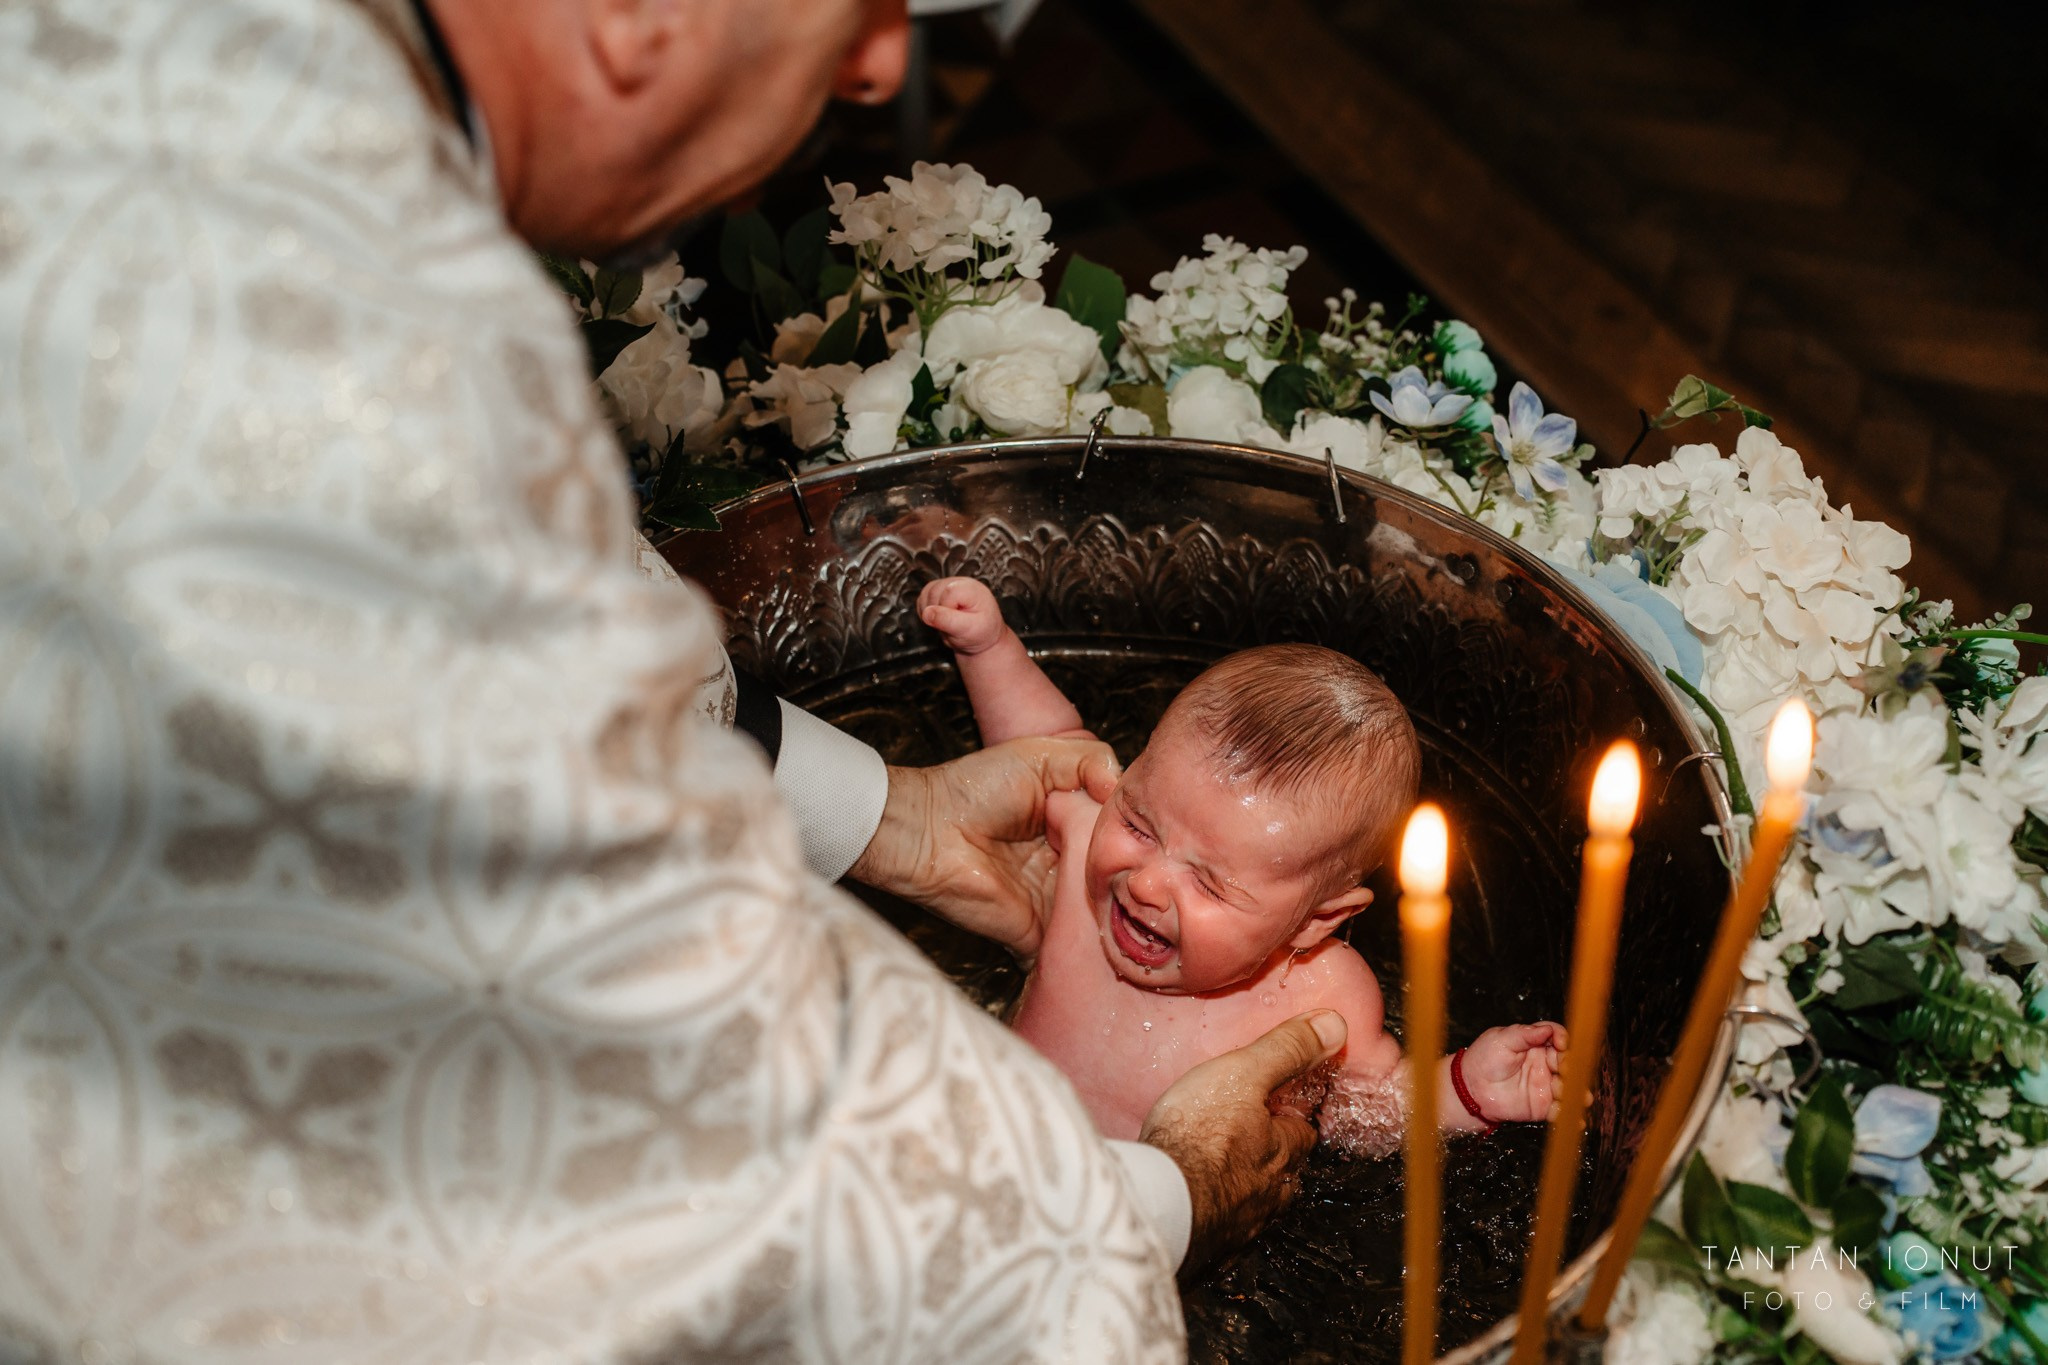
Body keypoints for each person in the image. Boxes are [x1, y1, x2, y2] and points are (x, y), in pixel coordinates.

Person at [0, 0, 1351, 1359]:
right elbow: (669, 1114)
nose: (885, 62)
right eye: (863, 3)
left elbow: (505, 663)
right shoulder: (344, 383)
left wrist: (889, 813)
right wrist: (1153, 1203)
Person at [919, 578, 1567, 1144]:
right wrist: (989, 649)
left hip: (1134, 1226)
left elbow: (1363, 1113)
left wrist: (1464, 1090)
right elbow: (1045, 750)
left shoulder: (1322, 997)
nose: (1145, 882)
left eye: (1207, 881)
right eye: (1139, 824)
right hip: (976, 1129)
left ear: (1316, 921)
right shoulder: (1088, 834)